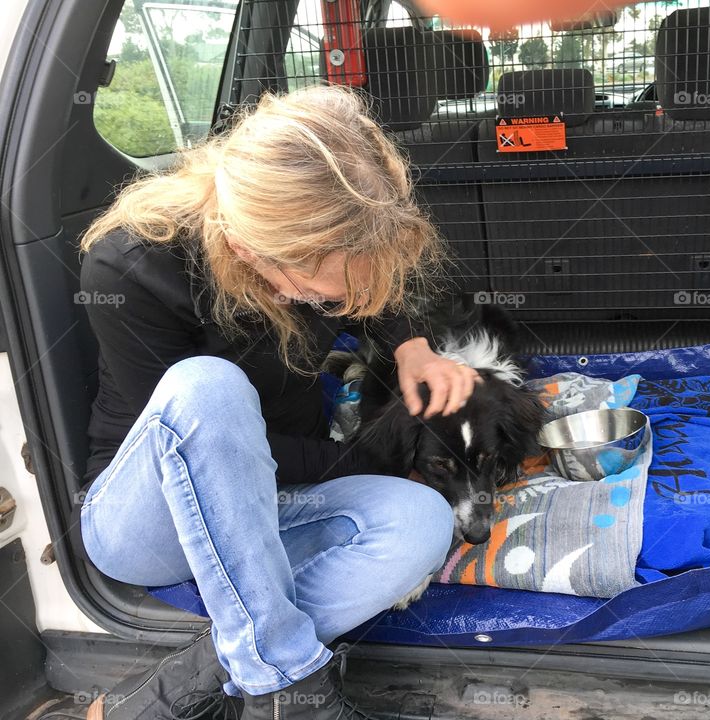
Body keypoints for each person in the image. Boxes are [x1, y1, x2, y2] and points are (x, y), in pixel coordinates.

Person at [77, 84, 480, 720]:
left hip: (274, 499)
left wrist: (412, 348)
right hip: (154, 520)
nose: (343, 309)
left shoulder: (324, 253)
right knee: (207, 386)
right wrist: (362, 460)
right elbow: (194, 446)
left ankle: (169, 692)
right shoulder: (131, 266)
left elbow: (365, 284)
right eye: (326, 300)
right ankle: (298, 696)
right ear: (248, 250)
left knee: (422, 521)